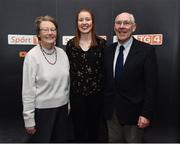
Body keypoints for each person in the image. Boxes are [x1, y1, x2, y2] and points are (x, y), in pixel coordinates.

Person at [104, 12, 158, 143]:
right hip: (112, 114)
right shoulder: (107, 51)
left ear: (133, 27)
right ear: (114, 27)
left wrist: (146, 114)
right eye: (118, 23)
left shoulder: (146, 51)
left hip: (135, 116)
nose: (121, 26)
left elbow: (152, 86)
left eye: (126, 23)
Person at [22, 15, 70, 142]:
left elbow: (67, 84)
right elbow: (28, 91)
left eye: (53, 29)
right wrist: (29, 119)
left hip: (62, 110)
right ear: (38, 34)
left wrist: (68, 105)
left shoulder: (62, 53)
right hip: (42, 113)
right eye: (45, 30)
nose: (50, 33)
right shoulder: (32, 56)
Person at [66, 9, 107, 142]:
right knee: (78, 131)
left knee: (94, 131)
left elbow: (105, 71)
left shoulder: (101, 44)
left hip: (96, 97)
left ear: (93, 22)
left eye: (87, 19)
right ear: (77, 23)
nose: (84, 23)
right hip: (77, 97)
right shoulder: (71, 45)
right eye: (81, 20)